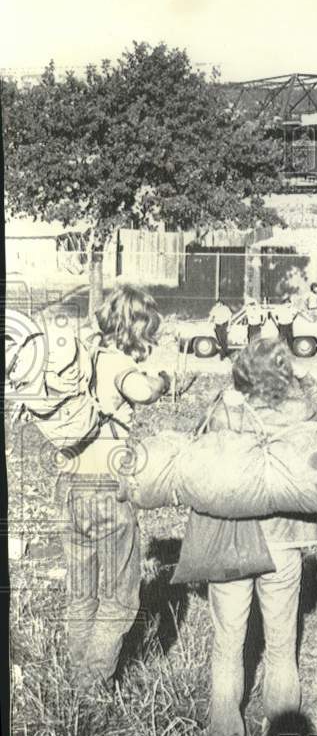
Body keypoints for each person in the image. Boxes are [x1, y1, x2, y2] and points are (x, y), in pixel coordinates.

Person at [193, 337, 317, 736]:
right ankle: (282, 727)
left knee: (228, 642)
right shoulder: (302, 409)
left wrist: (228, 394)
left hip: (231, 538)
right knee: (281, 643)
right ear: (284, 372)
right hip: (285, 538)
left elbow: (198, 439)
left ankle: (225, 732)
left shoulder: (226, 410)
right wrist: (306, 379)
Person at [61, 285, 170, 689]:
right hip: (106, 488)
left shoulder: (84, 355)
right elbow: (141, 390)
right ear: (138, 328)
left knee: (82, 590)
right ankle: (92, 684)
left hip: (70, 485)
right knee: (120, 596)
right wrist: (161, 381)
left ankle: (77, 674)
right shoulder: (118, 363)